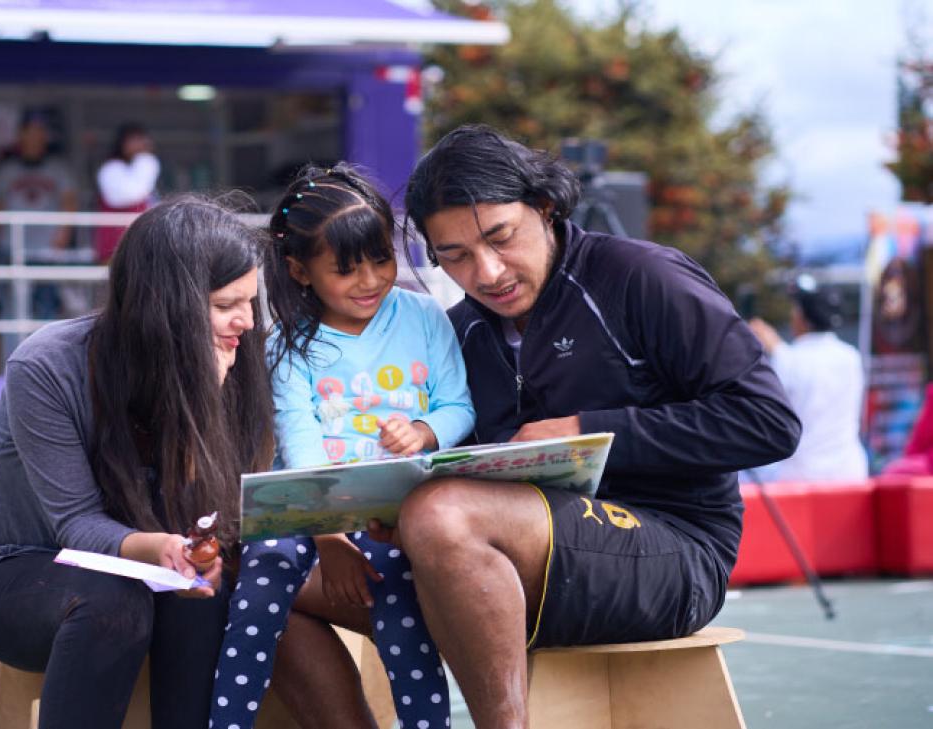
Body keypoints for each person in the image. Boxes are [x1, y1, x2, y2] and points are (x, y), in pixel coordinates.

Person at [269, 125, 801, 728]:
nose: (488, 271)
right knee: (265, 577)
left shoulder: (642, 277)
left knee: (443, 514)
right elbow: (458, 468)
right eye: (455, 256)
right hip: (508, 560)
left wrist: (585, 430)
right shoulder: (460, 329)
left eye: (501, 237)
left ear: (544, 208)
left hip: (673, 551)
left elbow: (768, 422)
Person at [0, 195, 275, 729]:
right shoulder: (48, 366)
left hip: (157, 568)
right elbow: (76, 526)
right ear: (167, 305)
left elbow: (211, 515)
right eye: (228, 303)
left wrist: (200, 409)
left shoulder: (234, 355)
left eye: (250, 302)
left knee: (204, 596)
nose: (247, 322)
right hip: (25, 567)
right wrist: (161, 546)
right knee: (115, 600)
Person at [210, 164, 473, 729]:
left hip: (391, 510)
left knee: (400, 606)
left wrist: (425, 432)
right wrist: (328, 535)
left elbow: (458, 406)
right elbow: (300, 448)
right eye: (346, 269)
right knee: (259, 585)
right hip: (306, 508)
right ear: (300, 270)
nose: (370, 279)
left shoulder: (425, 315)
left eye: (381, 258)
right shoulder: (284, 343)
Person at [748, 274, 868, 481]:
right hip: (850, 470)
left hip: (800, 473)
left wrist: (774, 348)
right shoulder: (851, 357)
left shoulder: (789, 359)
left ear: (801, 317)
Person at [0, 110, 81, 320]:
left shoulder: (58, 168)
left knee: (46, 308)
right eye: (30, 132)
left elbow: (69, 201)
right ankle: (11, 352)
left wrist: (63, 234)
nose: (35, 137)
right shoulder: (7, 169)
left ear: (46, 136)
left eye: (40, 132)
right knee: (11, 310)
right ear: (20, 135)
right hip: (11, 246)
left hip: (46, 247)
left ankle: (43, 354)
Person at [94, 123, 161, 264]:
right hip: (115, 247)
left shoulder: (141, 169)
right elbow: (131, 195)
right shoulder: (111, 169)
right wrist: (146, 160)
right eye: (134, 140)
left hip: (142, 245)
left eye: (142, 140)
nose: (140, 145)